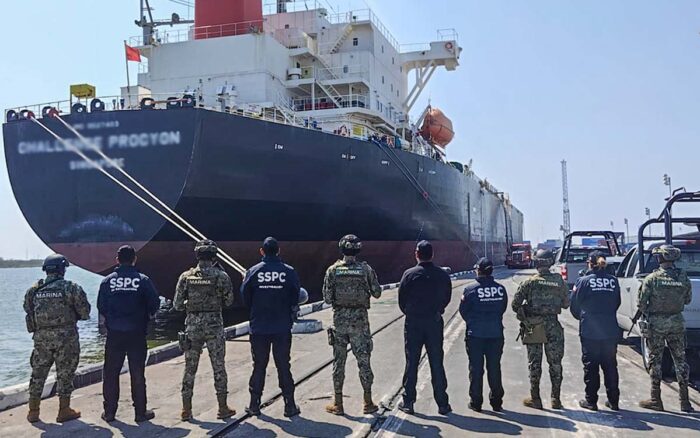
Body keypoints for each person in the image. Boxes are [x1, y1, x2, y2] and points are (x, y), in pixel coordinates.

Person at [24, 254, 91, 423]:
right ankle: (64, 410)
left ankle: (33, 411)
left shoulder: (34, 289)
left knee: (38, 373)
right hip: (66, 338)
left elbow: (27, 309)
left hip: (41, 338)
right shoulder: (71, 288)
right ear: (62, 269)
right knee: (65, 373)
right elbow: (85, 312)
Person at [174, 240, 236, 421]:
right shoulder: (221, 276)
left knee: (189, 368)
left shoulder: (186, 276)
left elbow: (177, 305)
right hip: (214, 327)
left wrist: (191, 304)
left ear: (197, 256)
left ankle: (186, 410)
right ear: (214, 256)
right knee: (219, 367)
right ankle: (222, 408)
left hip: (192, 328)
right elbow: (229, 301)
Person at [98, 245, 161, 423]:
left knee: (111, 374)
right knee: (137, 373)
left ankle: (109, 413)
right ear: (134, 259)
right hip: (137, 333)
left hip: (114, 334)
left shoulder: (107, 281)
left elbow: (101, 306)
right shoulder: (143, 280)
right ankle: (140, 413)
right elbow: (154, 303)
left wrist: (112, 320)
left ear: (117, 260)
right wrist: (145, 317)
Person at [241, 237, 301, 418]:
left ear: (262, 251)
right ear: (279, 250)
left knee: (259, 365)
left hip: (259, 327)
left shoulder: (253, 271)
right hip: (282, 326)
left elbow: (245, 297)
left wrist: (257, 309)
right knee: (283, 365)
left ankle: (254, 405)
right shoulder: (289, 271)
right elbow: (296, 296)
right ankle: (289, 406)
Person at [323, 234, 382, 415]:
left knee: (338, 363)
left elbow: (327, 298)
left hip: (339, 323)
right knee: (364, 362)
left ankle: (338, 403)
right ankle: (368, 402)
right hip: (360, 324)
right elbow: (377, 293)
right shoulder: (366, 269)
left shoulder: (332, 270)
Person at [397, 240, 452, 415]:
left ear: (417, 254)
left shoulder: (409, 274)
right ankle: (442, 404)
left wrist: (411, 312)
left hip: (413, 323)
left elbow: (401, 299)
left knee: (412, 362)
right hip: (434, 322)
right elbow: (447, 296)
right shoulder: (442, 275)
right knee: (436, 362)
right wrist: (438, 309)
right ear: (432, 254)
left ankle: (408, 402)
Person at [637, 244, 695, 413]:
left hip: (657, 323)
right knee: (680, 361)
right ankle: (685, 401)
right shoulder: (683, 277)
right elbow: (688, 300)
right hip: (677, 322)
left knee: (655, 360)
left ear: (660, 258)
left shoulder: (652, 278)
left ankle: (656, 399)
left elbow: (641, 303)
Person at [511, 249, 570, 410]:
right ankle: (555, 399)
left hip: (533, 326)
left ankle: (535, 399)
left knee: (534, 363)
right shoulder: (559, 281)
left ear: (536, 263)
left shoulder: (529, 282)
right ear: (551, 263)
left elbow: (515, 305)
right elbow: (566, 304)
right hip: (553, 326)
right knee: (555, 363)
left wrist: (526, 311)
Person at [570, 252, 621, 411]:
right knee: (610, 365)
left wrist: (584, 318)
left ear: (590, 263)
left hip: (590, 331)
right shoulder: (613, 281)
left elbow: (574, 305)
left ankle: (591, 401)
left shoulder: (583, 281)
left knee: (591, 366)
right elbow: (617, 303)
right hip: (610, 329)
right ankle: (614, 401)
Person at [459, 258, 507, 412]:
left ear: (478, 270)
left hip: (476, 335)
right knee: (494, 368)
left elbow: (463, 311)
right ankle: (497, 402)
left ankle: (476, 402)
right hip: (496, 334)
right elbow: (502, 308)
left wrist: (474, 322)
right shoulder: (501, 289)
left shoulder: (470, 290)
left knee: (476, 369)